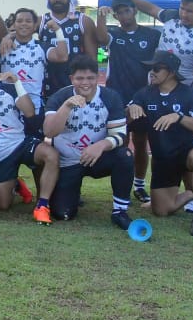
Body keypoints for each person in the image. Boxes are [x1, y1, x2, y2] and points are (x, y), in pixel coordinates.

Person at [126, 51, 193, 237]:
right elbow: (125, 116)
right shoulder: (144, 93)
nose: (152, 72)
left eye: (157, 68)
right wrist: (131, 108)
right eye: (151, 68)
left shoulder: (189, 94)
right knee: (161, 211)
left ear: (172, 72)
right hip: (163, 157)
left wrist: (179, 117)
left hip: (187, 150)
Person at [0, 53, 59, 222]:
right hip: (0, 153)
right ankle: (15, 184)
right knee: (3, 205)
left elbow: (29, 112)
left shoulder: (9, 89)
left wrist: (17, 83)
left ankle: (42, 205)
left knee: (51, 155)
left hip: (21, 142)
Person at [43, 57, 133, 228]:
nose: (85, 83)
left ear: (98, 77)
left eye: (90, 78)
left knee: (125, 155)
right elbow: (49, 131)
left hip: (97, 158)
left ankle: (120, 211)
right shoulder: (60, 96)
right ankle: (72, 194)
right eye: (80, 78)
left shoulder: (110, 97)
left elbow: (120, 135)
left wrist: (100, 146)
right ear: (71, 79)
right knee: (63, 214)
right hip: (67, 161)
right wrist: (66, 107)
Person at [95, 0, 162, 203]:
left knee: (141, 143)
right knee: (120, 144)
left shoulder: (151, 35)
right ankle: (121, 188)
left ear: (134, 10)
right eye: (119, 12)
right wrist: (102, 17)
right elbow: (101, 38)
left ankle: (139, 185)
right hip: (117, 97)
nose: (124, 15)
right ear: (116, 15)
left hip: (143, 97)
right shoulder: (114, 33)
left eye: (127, 10)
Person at [109, 0, 193, 92]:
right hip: (154, 86)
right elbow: (149, 8)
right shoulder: (172, 16)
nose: (183, 14)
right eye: (182, 8)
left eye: (189, 11)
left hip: (180, 91)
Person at [40, 0, 98, 101]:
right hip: (47, 83)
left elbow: (92, 59)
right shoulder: (40, 21)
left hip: (78, 84)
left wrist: (90, 86)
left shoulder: (84, 21)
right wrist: (10, 36)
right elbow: (22, 35)